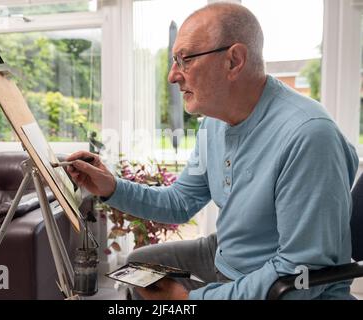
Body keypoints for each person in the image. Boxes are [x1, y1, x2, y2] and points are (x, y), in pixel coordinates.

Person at [67, 2, 359, 300]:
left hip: (287, 285)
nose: (172, 76)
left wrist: (189, 301)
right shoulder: (213, 125)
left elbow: (299, 278)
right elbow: (180, 202)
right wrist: (111, 187)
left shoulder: (308, 135)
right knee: (136, 267)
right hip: (225, 256)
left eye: (185, 59)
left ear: (234, 60)